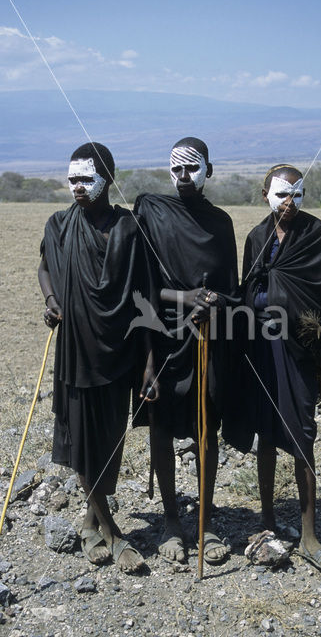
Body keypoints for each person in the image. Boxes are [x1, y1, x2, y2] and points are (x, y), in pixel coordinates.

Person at [39, 142, 153, 573]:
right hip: (75, 353)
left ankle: (89, 524)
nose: (78, 187)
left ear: (108, 178)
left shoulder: (128, 228)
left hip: (119, 352)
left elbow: (142, 299)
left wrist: (146, 364)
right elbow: (44, 267)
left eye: (86, 179)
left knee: (109, 442)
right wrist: (51, 300)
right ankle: (115, 533)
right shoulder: (59, 225)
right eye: (72, 179)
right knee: (84, 444)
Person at [134, 137, 238, 564]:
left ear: (209, 171)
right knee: (160, 427)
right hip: (160, 335)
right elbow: (139, 284)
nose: (183, 176)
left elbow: (231, 289)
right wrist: (186, 297)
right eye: (175, 168)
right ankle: (172, 520)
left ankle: (206, 522)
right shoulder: (151, 211)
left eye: (192, 168)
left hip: (207, 338)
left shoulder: (221, 221)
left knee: (205, 429)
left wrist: (211, 303)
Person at [240, 164, 321, 573]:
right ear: (265, 193)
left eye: (297, 195)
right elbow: (248, 289)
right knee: (265, 431)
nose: (289, 203)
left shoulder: (315, 234)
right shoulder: (255, 238)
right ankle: (267, 520)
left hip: (300, 350)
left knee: (303, 434)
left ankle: (308, 534)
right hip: (261, 349)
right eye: (282, 194)